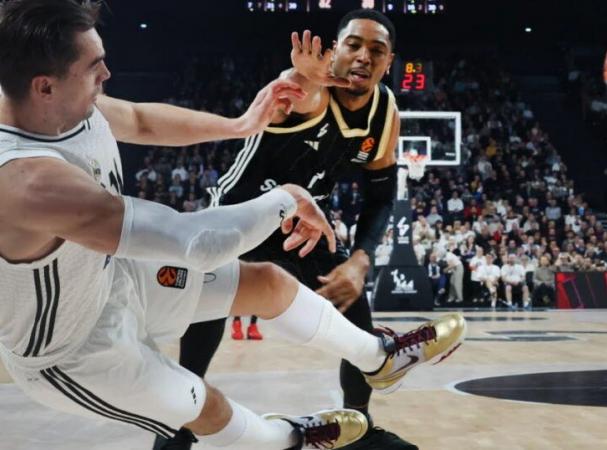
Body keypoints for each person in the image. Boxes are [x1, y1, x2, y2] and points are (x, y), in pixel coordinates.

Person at [0, 2, 466, 450]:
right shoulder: (29, 181)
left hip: (115, 280)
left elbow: (141, 119)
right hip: (73, 345)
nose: (107, 76)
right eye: (94, 67)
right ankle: (285, 439)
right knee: (201, 403)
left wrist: (240, 124)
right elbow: (194, 241)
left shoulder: (63, 102)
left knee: (267, 284)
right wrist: (290, 196)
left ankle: (378, 363)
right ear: (45, 87)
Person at [169, 10, 430, 450]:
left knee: (356, 316)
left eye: (376, 50)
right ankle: (176, 430)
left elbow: (381, 196)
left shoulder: (386, 112)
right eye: (353, 45)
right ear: (334, 49)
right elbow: (294, 85)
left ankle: (358, 429)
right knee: (207, 313)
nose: (364, 56)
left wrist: (359, 260)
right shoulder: (308, 87)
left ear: (389, 63)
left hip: (304, 221)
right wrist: (298, 73)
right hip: (241, 212)